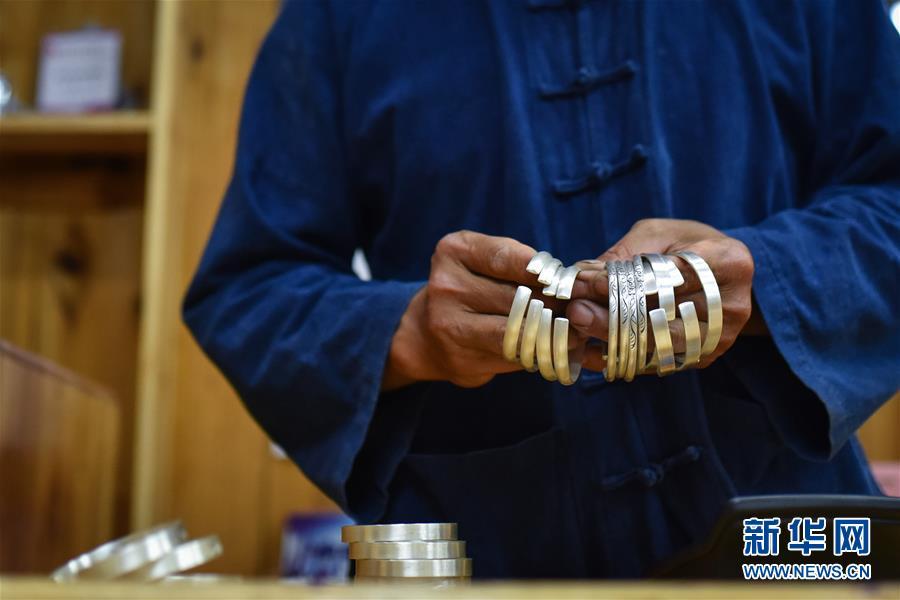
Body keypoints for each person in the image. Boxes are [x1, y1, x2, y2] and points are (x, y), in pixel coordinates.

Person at [183, 0, 900, 577]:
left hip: (791, 557)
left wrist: (766, 276)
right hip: (479, 557)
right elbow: (248, 291)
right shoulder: (335, 16)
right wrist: (410, 331)